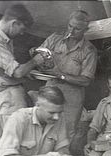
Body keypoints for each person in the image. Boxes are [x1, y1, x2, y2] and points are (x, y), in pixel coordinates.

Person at [0, 4, 46, 127]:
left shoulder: (4, 39)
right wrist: (36, 61)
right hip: (8, 99)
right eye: (22, 29)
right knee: (14, 140)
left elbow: (7, 70)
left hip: (12, 96)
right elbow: (18, 72)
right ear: (14, 23)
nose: (21, 34)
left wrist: (27, 71)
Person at [37, 10, 97, 140]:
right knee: (45, 129)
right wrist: (38, 57)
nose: (71, 31)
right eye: (70, 26)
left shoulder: (89, 51)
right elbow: (40, 56)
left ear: (85, 29)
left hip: (72, 97)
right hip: (51, 91)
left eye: (77, 29)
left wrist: (61, 75)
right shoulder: (55, 38)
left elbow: (86, 81)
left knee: (67, 133)